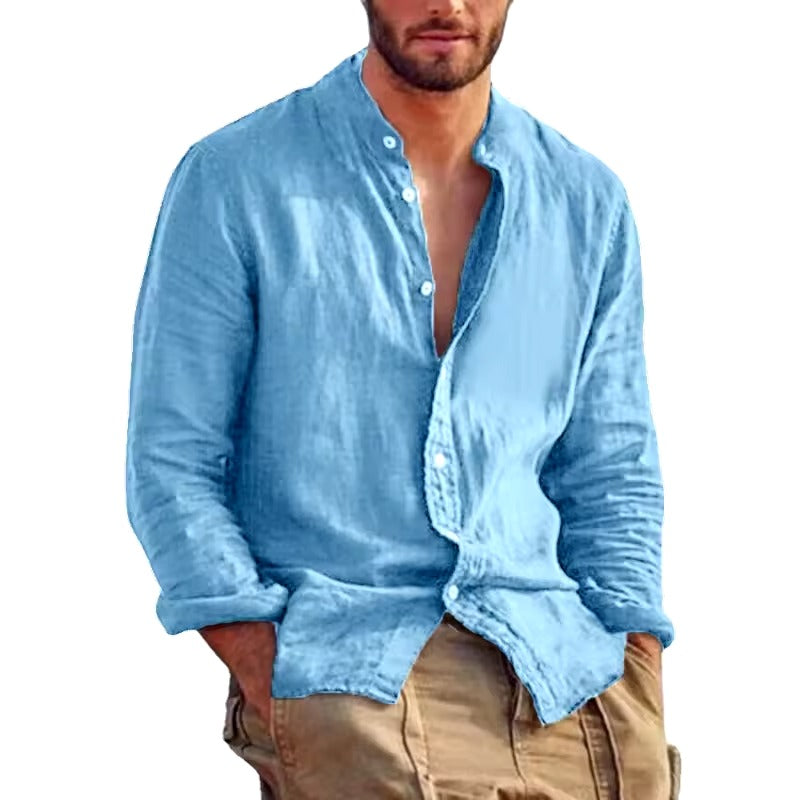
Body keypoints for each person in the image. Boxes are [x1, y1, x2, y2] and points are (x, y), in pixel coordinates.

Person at [125, 1, 681, 797]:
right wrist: (264, 666)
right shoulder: (236, 180)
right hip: (350, 670)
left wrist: (637, 664)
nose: (446, 3)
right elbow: (172, 461)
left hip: (566, 674)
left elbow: (612, 470)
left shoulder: (586, 201)